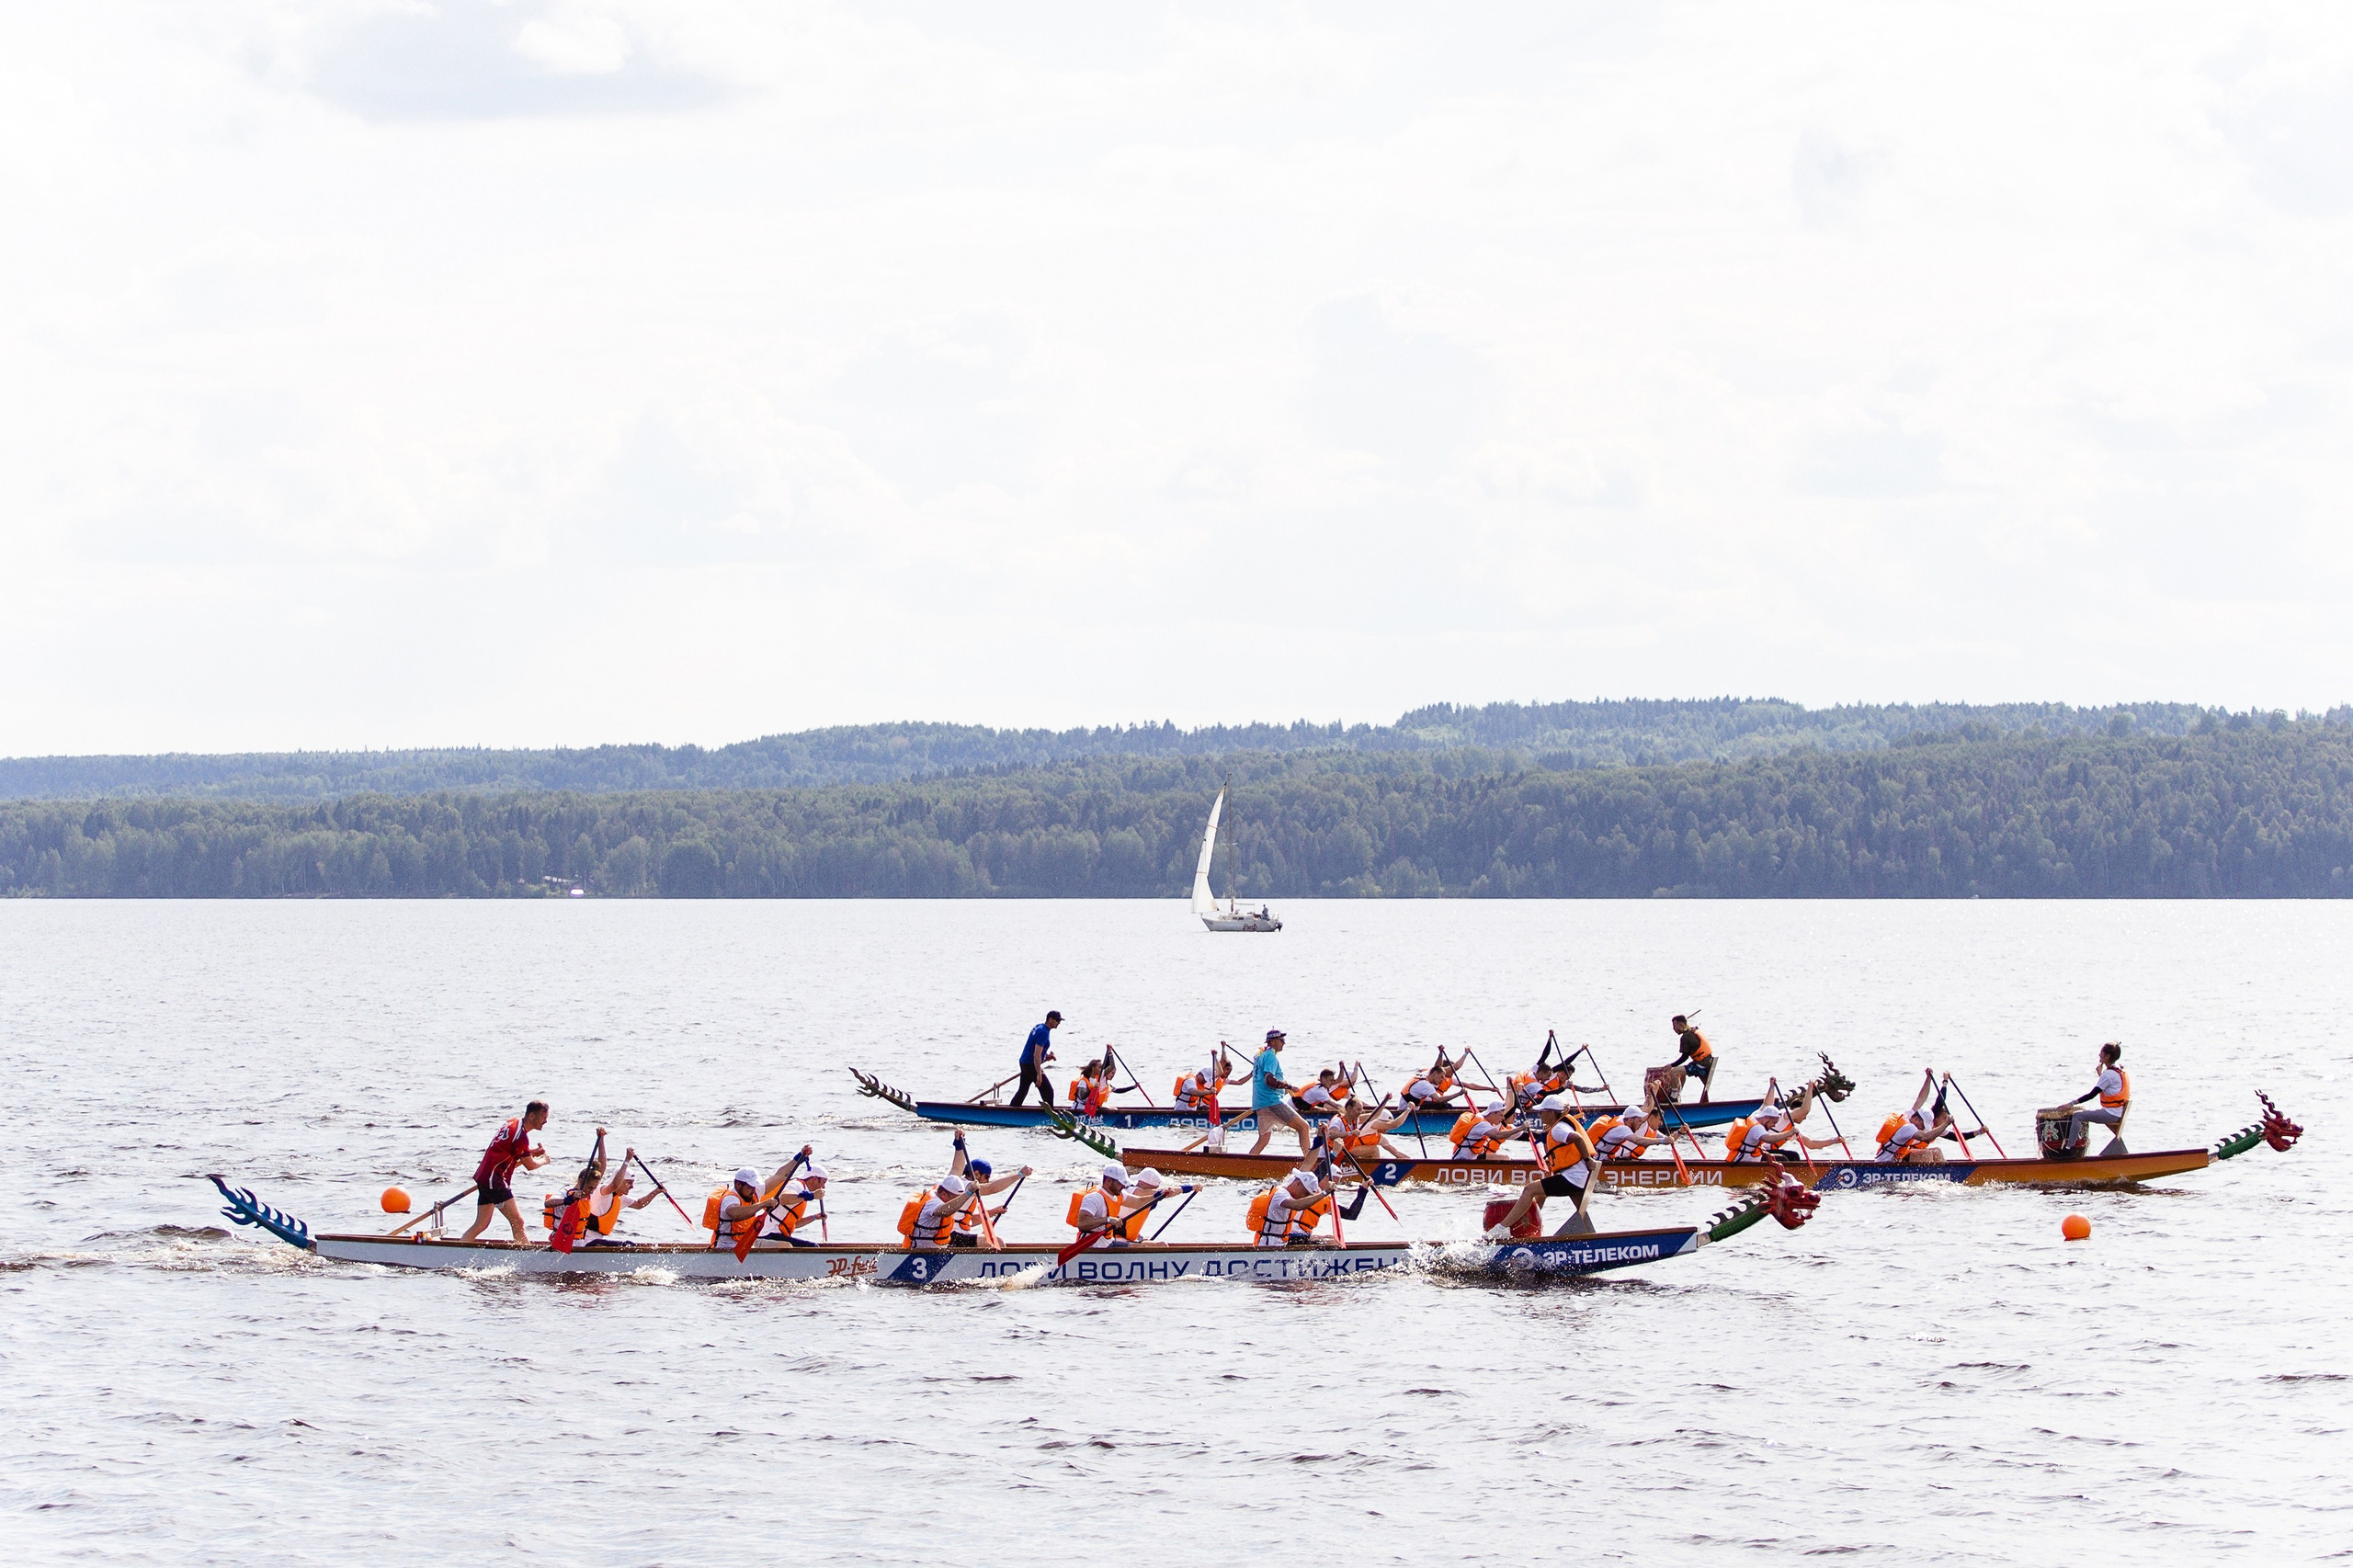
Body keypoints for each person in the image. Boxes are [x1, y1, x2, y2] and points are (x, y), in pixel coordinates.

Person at [1487, 1096, 1599, 1238]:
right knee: (1575, 1210)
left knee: (1529, 1189)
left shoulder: (1559, 1128)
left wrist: (1588, 1159)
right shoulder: (1559, 1126)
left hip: (1573, 1179)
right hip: (1580, 1178)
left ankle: (1503, 1228)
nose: (1539, 1115)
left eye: (1542, 1112)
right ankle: (1592, 1237)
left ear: (1551, 1113)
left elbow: (1577, 1138)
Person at [461, 1100, 551, 1243]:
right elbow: (530, 1166)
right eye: (543, 1117)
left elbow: (507, 1149)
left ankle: (461, 1247)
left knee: (481, 1224)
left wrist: (530, 1152)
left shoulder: (512, 1122)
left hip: (484, 1178)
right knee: (518, 1222)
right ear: (532, 1116)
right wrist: (544, 1160)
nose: (545, 1121)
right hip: (495, 1181)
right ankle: (524, 1254)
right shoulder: (520, 1137)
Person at [712, 1146, 815, 1248]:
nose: (754, 1190)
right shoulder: (731, 1198)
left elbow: (780, 1175)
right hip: (728, 1246)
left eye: (755, 1186)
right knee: (785, 1246)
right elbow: (735, 1213)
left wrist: (798, 1158)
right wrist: (763, 1204)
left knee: (786, 1245)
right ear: (738, 1184)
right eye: (751, 1187)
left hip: (747, 1243)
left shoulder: (753, 1191)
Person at [2043, 1042, 2131, 1156]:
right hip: (2117, 1112)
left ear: (2107, 1056)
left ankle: (2069, 1149)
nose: (2099, 1055)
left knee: (2078, 1116)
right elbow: (2111, 1086)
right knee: (2084, 1114)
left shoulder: (2108, 1075)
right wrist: (2101, 1074)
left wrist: (2071, 1104)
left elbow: (2091, 1095)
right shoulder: (2118, 1069)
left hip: (2112, 1114)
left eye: (2101, 1053)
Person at [946, 1133, 1031, 1245]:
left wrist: (993, 1212)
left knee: (990, 1239)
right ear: (976, 1173)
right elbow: (992, 1188)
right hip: (952, 1237)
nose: (987, 1181)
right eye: (986, 1177)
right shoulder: (964, 1186)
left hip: (958, 1235)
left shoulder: (967, 1191)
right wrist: (1019, 1174)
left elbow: (968, 1221)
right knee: (998, 1242)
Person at [574, 1146, 666, 1244]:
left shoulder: (620, 1198)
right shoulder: (603, 1192)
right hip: (586, 1241)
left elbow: (640, 1204)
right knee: (627, 1245)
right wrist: (627, 1160)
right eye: (629, 1183)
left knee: (628, 1244)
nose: (632, 1187)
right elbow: (614, 1184)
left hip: (596, 1240)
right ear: (620, 1180)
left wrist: (656, 1191)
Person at [1245, 1029, 1313, 1157]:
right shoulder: (1270, 1056)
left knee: (1263, 1139)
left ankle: (1246, 1163)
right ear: (1272, 1042)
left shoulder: (1261, 1056)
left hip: (1260, 1103)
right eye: (1281, 1040)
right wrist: (1289, 1086)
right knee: (1304, 1127)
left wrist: (1282, 1088)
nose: (1284, 1043)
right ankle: (1309, 1162)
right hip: (1272, 1102)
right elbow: (1269, 1080)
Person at [1731, 1086, 1841, 1163]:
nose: (1804, 1118)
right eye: (1803, 1116)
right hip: (1754, 1153)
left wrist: (1834, 1141)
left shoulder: (1792, 1127)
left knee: (1793, 1156)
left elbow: (1811, 1144)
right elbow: (1804, 1110)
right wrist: (1810, 1089)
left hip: (1761, 1153)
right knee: (1785, 1158)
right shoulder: (1783, 1116)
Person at [1876, 1070, 1959, 1163]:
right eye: (1923, 1126)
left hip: (1900, 1159)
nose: (1922, 1129)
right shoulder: (1908, 1127)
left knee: (1937, 1151)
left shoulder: (1910, 1114)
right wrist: (1946, 1123)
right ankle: (1926, 1172)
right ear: (1917, 1119)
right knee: (1925, 1154)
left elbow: (1921, 1098)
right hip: (1885, 1162)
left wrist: (1928, 1078)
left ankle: (1944, 1172)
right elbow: (1925, 1137)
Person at [1010, 1010, 1063, 1108]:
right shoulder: (1044, 1033)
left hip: (1024, 1062)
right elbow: (1036, 1054)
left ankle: (1011, 1111)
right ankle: (1049, 1115)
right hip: (1031, 1064)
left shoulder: (1039, 1027)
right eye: (1057, 1020)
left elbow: (1034, 1048)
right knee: (1048, 1091)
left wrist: (1046, 1056)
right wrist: (1039, 1074)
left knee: (1023, 1090)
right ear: (1050, 1019)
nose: (1059, 1023)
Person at [1670, 1015, 1717, 1104]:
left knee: (1674, 1071)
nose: (1673, 1029)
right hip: (1707, 1063)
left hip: (1701, 1067)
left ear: (1681, 1025)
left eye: (1674, 1026)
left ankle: (1674, 1098)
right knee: (1681, 1072)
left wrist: (1671, 1065)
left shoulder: (1685, 1037)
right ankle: (1677, 1095)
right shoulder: (1694, 1031)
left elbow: (1685, 1057)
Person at [1450, 1098, 1517, 1159]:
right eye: (1501, 1115)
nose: (1503, 1118)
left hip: (1474, 1156)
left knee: (1505, 1158)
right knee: (1505, 1158)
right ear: (1492, 1114)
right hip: (1463, 1159)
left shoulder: (1483, 1117)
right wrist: (1520, 1128)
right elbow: (1498, 1135)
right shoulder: (1482, 1124)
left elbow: (1509, 1106)